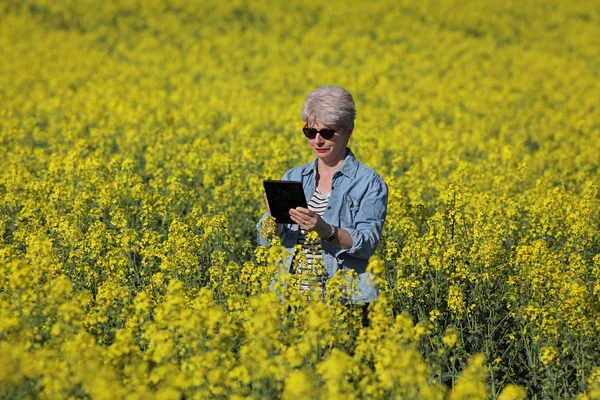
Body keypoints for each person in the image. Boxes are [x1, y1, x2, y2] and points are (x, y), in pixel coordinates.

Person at [257, 85, 388, 320]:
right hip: (291, 301)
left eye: (327, 133)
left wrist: (324, 230)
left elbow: (367, 243)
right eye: (310, 132)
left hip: (343, 301)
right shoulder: (294, 177)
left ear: (348, 131)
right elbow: (266, 241)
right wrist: (274, 218)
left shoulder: (369, 182)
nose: (318, 140)